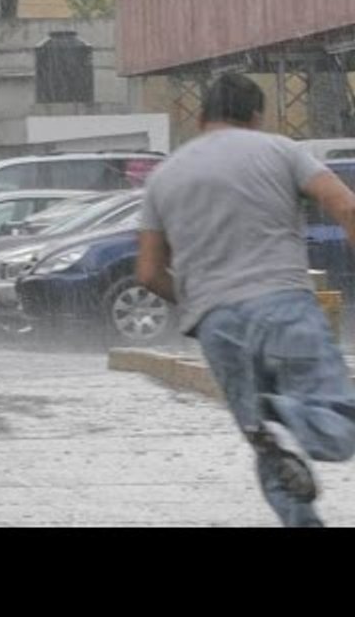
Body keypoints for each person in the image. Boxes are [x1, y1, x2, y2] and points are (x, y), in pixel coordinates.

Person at [137, 73, 355, 527]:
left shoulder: (164, 176)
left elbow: (148, 272)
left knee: (268, 447)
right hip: (283, 304)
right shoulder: (280, 150)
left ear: (201, 118)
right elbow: (346, 206)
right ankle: (284, 416)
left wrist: (201, 303)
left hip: (216, 325)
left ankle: (277, 440)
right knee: (336, 421)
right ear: (256, 115)